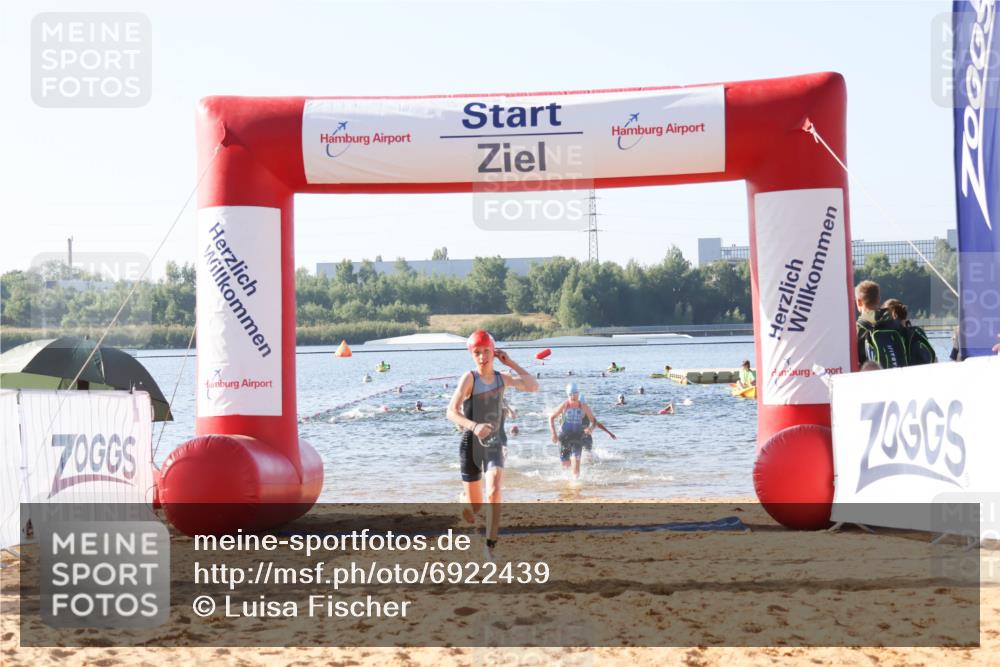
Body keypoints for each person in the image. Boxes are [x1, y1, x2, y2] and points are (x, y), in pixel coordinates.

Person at [447, 330, 538, 560]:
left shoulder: (501, 378)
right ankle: (465, 502)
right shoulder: (469, 379)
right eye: (477, 353)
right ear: (472, 354)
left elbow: (532, 386)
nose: (482, 357)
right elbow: (451, 412)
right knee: (475, 508)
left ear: (493, 351)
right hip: (470, 445)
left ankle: (491, 545)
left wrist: (511, 362)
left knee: (495, 491)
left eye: (486, 351)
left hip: (495, 443)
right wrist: (474, 426)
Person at [549, 383, 599, 479]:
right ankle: (567, 489)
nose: (573, 396)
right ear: (568, 395)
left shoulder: (583, 406)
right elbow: (551, 417)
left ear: (578, 393)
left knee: (576, 464)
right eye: (571, 394)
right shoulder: (565, 405)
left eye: (575, 393)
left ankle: (576, 487)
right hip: (564, 438)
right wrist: (554, 434)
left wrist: (591, 428)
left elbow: (594, 421)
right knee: (565, 466)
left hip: (577, 437)